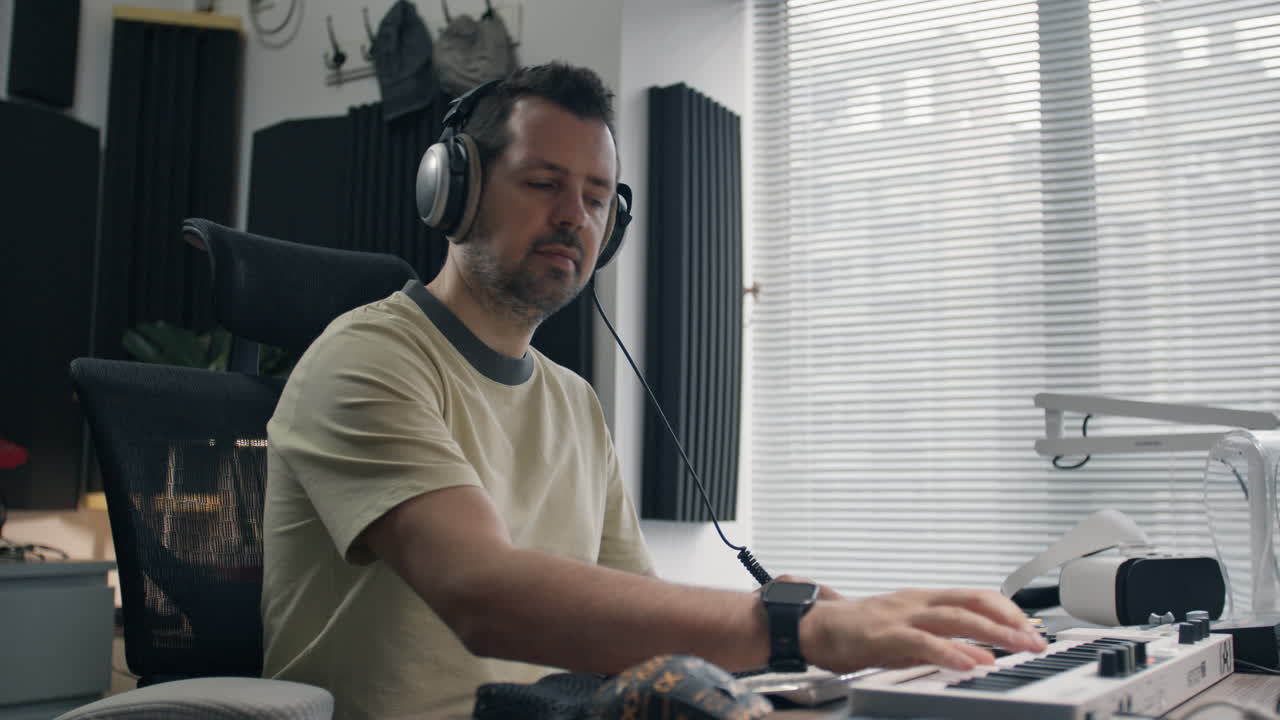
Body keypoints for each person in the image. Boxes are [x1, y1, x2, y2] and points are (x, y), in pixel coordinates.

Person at [260, 62, 1046, 720]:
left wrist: (815, 628)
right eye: (543, 183)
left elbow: (632, 610)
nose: (575, 218)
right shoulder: (368, 359)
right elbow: (479, 592)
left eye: (599, 199)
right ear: (454, 191)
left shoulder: (572, 402)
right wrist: (796, 628)